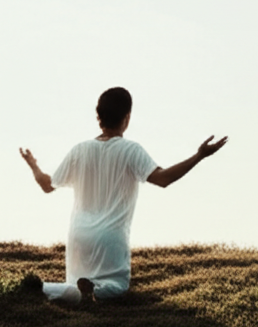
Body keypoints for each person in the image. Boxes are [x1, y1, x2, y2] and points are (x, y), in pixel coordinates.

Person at [18, 87, 227, 303]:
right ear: (127, 118)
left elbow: (47, 185)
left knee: (74, 284)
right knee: (117, 287)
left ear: (99, 118)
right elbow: (163, 179)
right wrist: (199, 156)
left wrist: (33, 165)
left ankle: (44, 288)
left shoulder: (79, 150)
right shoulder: (131, 150)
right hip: (111, 238)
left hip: (79, 237)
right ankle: (92, 292)